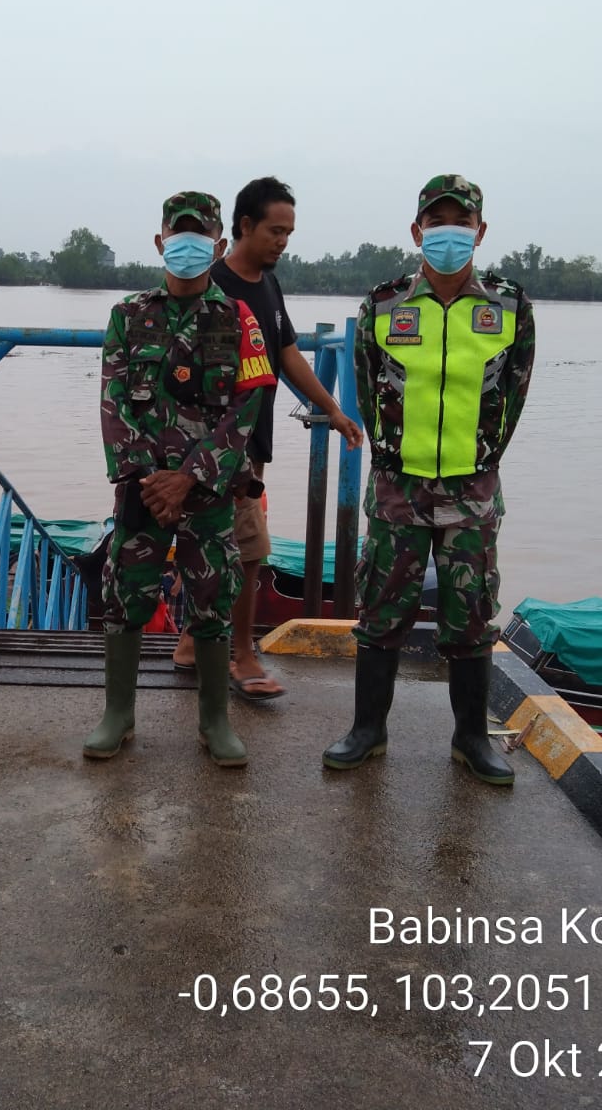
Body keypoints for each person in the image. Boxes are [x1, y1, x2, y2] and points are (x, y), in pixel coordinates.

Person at [323, 174, 535, 785]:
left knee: (470, 613)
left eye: (460, 223)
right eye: (437, 223)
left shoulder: (508, 306)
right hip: (398, 485)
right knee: (382, 610)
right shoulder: (385, 304)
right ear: (417, 231)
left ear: (480, 232)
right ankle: (368, 731)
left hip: (471, 487)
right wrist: (390, 456)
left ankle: (472, 739)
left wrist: (483, 457)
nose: (449, 234)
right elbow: (365, 388)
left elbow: (515, 393)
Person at [87, 191, 278, 767]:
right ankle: (117, 715)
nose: (188, 245)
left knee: (213, 601)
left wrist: (189, 478)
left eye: (200, 236)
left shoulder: (237, 319)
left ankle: (215, 722)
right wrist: (152, 480)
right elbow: (113, 400)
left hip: (208, 494)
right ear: (160, 242)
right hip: (143, 493)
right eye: (179, 234)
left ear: (219, 244)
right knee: (126, 596)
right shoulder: (128, 315)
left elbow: (247, 407)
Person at [170, 177, 363, 700]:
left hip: (248, 451)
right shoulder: (209, 285)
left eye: (289, 233)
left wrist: (334, 411)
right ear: (245, 226)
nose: (283, 241)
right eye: (275, 231)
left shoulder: (266, 285)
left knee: (228, 549)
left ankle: (191, 641)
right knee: (247, 552)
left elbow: (288, 354)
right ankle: (241, 654)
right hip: (208, 451)